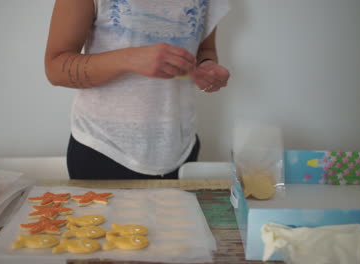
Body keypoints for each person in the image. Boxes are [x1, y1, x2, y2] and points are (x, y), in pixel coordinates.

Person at [44, 0, 230, 180]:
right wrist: (130, 58)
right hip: (103, 148)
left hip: (181, 147)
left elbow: (205, 49)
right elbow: (55, 68)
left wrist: (208, 66)